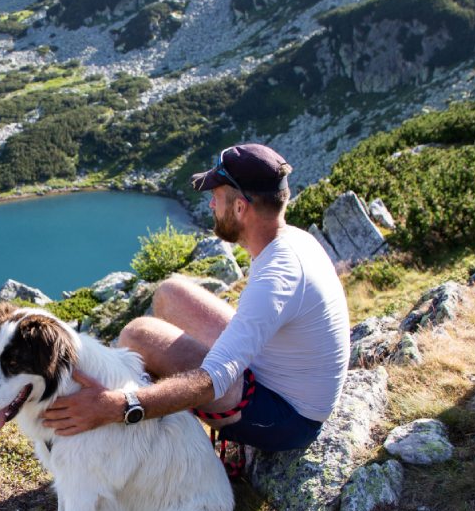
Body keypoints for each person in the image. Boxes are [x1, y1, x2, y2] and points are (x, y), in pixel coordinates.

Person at [42, 143, 350, 454]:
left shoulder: (277, 276)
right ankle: (148, 420)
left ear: (241, 208)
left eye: (216, 198)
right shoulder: (289, 239)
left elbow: (210, 381)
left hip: (287, 420)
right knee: (169, 292)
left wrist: (118, 406)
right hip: (279, 374)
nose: (211, 206)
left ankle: (131, 429)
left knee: (137, 336)